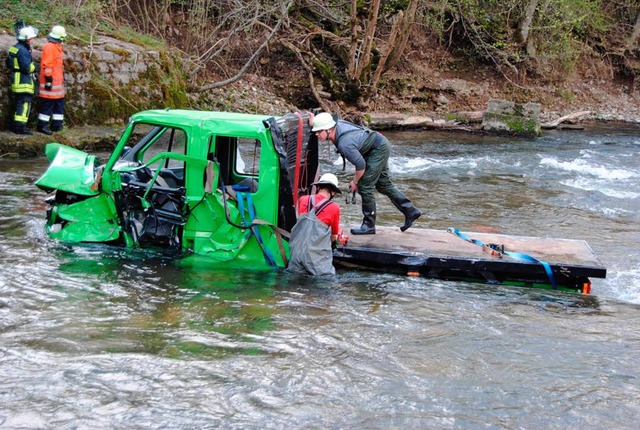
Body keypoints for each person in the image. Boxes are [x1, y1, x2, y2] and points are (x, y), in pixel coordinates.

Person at [310, 112, 421, 235]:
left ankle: (369, 225)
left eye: (319, 131)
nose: (316, 134)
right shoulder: (334, 126)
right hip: (378, 144)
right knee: (383, 184)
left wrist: (355, 182)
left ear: (329, 130)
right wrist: (312, 122)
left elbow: (361, 166)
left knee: (365, 186)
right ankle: (411, 211)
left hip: (377, 149)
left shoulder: (344, 144)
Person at [287, 173, 343, 276]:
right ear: (333, 191)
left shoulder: (303, 199)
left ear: (318, 187)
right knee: (325, 282)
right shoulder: (334, 207)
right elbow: (334, 237)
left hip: (296, 254)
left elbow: (304, 226)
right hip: (315, 260)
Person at [5, 25, 39, 135]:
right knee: (24, 104)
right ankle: (20, 127)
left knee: (20, 103)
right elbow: (27, 68)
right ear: (27, 39)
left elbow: (8, 63)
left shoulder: (14, 48)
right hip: (23, 82)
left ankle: (17, 126)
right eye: (32, 38)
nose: (33, 40)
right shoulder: (23, 51)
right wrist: (36, 66)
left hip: (16, 79)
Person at [37, 25, 67, 135]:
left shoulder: (57, 47)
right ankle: (42, 126)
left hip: (57, 84)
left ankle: (57, 125)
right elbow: (47, 65)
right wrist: (48, 80)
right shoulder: (50, 47)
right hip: (51, 83)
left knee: (59, 104)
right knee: (47, 105)